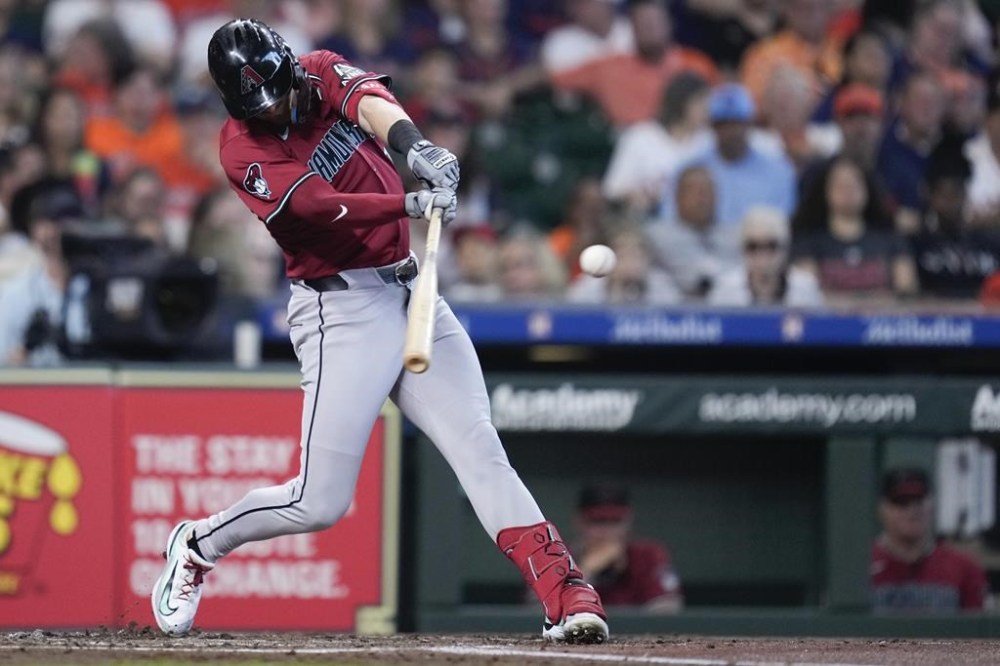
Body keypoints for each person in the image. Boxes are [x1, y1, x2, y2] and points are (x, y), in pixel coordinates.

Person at [150, 19, 608, 644]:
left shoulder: (315, 68)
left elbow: (369, 101)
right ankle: (198, 543)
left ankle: (565, 591)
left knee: (478, 446)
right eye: (264, 101)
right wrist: (410, 203)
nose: (280, 104)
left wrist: (415, 150)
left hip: (409, 286)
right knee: (319, 501)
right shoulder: (241, 150)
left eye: (281, 88)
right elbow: (316, 206)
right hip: (340, 309)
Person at [872, 467, 988, 613]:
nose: (912, 510)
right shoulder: (861, 567)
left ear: (932, 504)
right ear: (883, 509)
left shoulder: (964, 567)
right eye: (901, 502)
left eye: (918, 501)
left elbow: (976, 631)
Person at [573, 482, 684, 611]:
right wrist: (585, 573)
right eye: (598, 521)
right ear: (579, 522)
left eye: (615, 521)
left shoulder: (648, 555)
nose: (607, 531)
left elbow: (670, 607)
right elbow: (551, 616)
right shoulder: (562, 558)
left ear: (628, 522)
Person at [708, 206, 823, 308]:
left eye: (771, 246)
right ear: (742, 250)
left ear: (784, 248)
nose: (762, 256)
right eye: (753, 247)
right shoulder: (726, 289)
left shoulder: (805, 288)